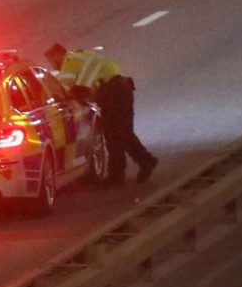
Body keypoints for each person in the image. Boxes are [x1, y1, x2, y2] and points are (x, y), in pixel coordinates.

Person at [44, 43, 158, 186]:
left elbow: (62, 90)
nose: (53, 66)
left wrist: (48, 98)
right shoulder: (80, 55)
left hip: (114, 93)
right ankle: (132, 168)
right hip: (119, 90)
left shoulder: (70, 63)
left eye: (51, 62)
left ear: (56, 57)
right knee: (119, 134)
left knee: (117, 135)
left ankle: (126, 172)